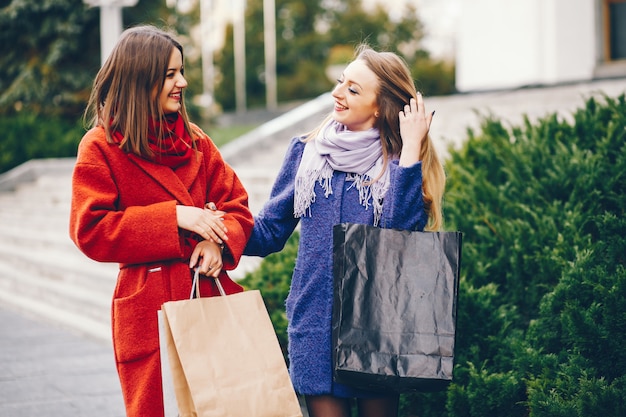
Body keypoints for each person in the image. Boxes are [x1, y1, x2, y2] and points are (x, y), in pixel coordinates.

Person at [242, 45, 446, 417]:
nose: (337, 93)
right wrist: (215, 228)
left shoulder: (401, 169)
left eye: (354, 89)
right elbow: (270, 230)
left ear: (380, 106)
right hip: (314, 325)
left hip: (379, 328)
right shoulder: (306, 153)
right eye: (341, 82)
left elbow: (398, 243)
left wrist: (411, 148)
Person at [69, 25, 253, 417]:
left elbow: (236, 205)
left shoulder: (197, 142)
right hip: (146, 310)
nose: (182, 83)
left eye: (181, 72)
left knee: (225, 406)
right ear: (141, 78)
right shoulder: (100, 146)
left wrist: (215, 243)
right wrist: (175, 218)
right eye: (170, 75)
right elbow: (91, 229)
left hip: (205, 299)